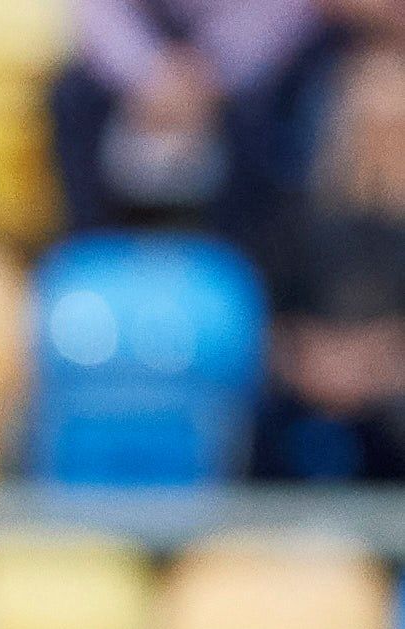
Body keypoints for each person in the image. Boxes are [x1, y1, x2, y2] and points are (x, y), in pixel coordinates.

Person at [51, 0, 337, 252]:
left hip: (247, 63)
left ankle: (255, 272)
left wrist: (212, 72)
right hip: (145, 59)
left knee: (274, 115)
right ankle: (93, 261)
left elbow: (285, 13)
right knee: (74, 97)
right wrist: (148, 74)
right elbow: (99, 12)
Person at [261, 40, 405, 480]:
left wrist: (380, 363)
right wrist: (308, 360)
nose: (383, 145)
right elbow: (268, 324)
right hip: (303, 395)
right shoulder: (297, 220)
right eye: (371, 128)